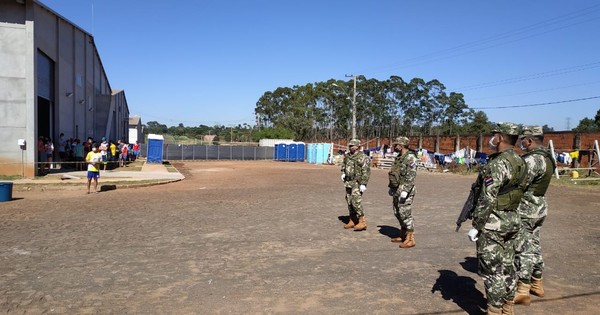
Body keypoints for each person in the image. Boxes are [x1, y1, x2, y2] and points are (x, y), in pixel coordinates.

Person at [467, 122, 528, 315]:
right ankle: (507, 309)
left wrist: (477, 224)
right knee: (508, 267)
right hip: (512, 219)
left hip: (493, 223)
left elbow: (488, 196)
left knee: (492, 271)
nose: (491, 138)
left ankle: (494, 310)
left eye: (494, 135)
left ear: (500, 137)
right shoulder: (520, 161)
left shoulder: (497, 163)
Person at [513, 126, 555, 306]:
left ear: (529, 140)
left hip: (526, 209)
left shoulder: (531, 160)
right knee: (534, 244)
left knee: (523, 248)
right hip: (539, 207)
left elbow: (518, 183)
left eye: (523, 140)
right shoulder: (548, 158)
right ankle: (537, 283)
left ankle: (523, 289)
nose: (521, 143)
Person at [387, 136, 418, 248]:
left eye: (396, 145)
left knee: (405, 213)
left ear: (401, 145)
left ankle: (410, 239)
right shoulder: (399, 157)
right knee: (397, 212)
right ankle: (403, 234)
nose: (394, 146)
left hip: (406, 190)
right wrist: (391, 187)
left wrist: (406, 190)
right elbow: (395, 173)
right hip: (397, 189)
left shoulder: (410, 158)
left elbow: (411, 176)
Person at [340, 139, 371, 231]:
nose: (351, 147)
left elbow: (366, 171)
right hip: (348, 182)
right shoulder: (348, 156)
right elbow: (343, 166)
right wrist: (343, 173)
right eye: (350, 146)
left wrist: (364, 184)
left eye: (352, 146)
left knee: (356, 201)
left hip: (357, 182)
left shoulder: (363, 157)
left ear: (358, 147)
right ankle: (352, 219)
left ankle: (362, 221)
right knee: (349, 201)